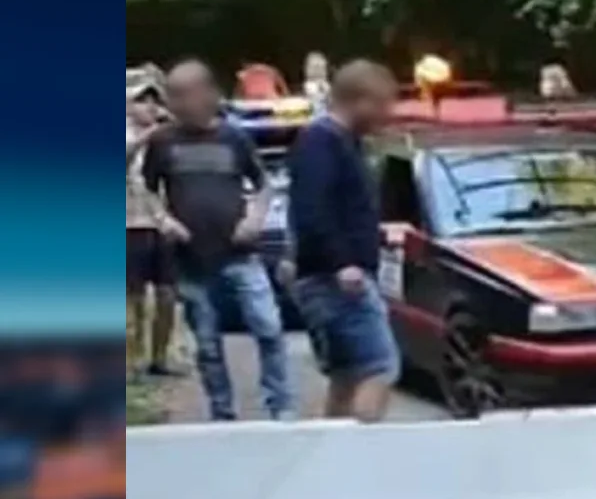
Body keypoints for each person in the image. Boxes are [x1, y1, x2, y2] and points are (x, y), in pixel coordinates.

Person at [141, 60, 292, 421]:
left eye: (183, 95)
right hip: (191, 259)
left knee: (268, 328)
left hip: (240, 253)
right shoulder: (163, 141)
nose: (176, 104)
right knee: (208, 344)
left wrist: (255, 217)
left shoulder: (233, 137)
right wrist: (163, 219)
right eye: (171, 96)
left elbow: (264, 185)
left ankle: (281, 408)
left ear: (207, 95)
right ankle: (222, 413)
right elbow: (145, 188)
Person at [288, 60, 402, 424]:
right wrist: (342, 262)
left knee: (348, 375)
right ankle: (360, 457)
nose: (387, 114)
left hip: (333, 276)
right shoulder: (322, 140)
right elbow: (311, 207)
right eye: (383, 105)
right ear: (360, 100)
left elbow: (342, 207)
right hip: (336, 280)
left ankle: (329, 457)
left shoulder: (342, 143)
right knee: (379, 367)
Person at [124, 93, 179, 378]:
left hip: (163, 223)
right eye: (141, 100)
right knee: (133, 297)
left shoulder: (165, 138)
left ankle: (160, 357)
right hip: (130, 223)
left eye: (153, 101)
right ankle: (132, 360)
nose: (150, 106)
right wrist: (149, 133)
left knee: (167, 293)